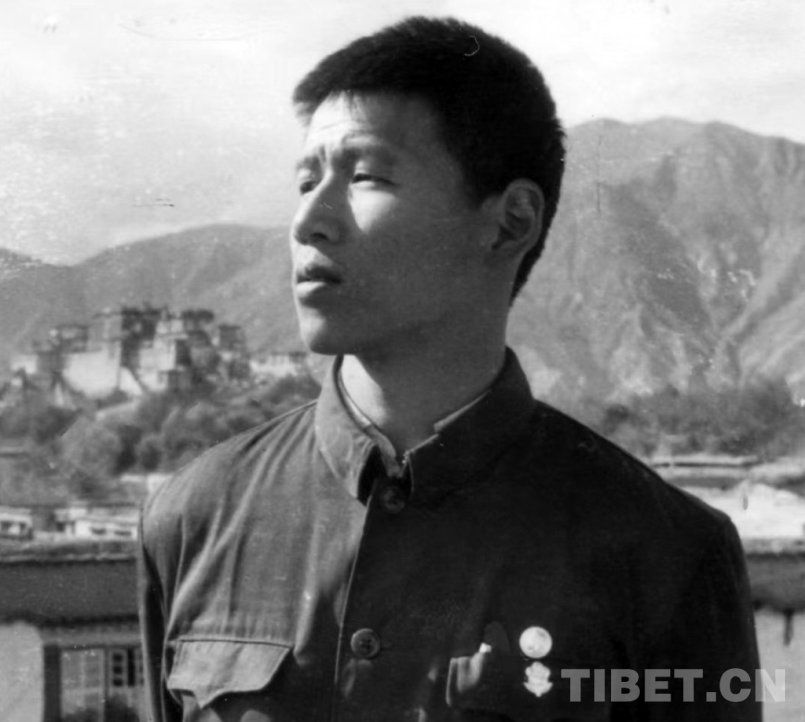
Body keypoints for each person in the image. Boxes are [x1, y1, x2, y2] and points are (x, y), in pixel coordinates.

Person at [139, 16, 760, 722]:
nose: (309, 219)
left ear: (510, 222)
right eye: (306, 180)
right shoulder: (192, 517)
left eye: (365, 176)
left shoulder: (665, 551)